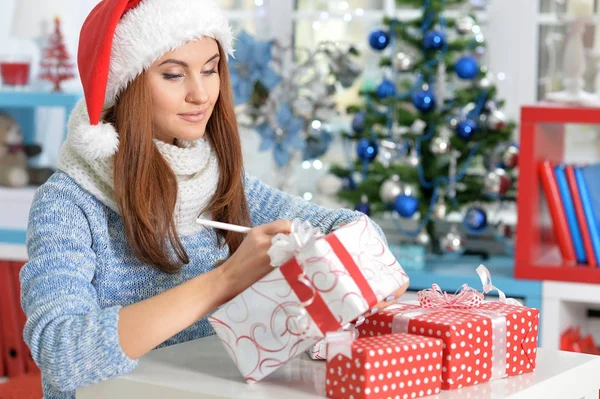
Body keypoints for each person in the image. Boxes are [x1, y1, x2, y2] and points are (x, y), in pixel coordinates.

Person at [20, 0, 407, 398]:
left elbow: (337, 224)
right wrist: (225, 280)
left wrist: (365, 251)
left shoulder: (221, 179)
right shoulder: (68, 205)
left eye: (210, 69)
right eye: (173, 75)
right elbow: (61, 352)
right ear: (127, 84)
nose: (201, 94)